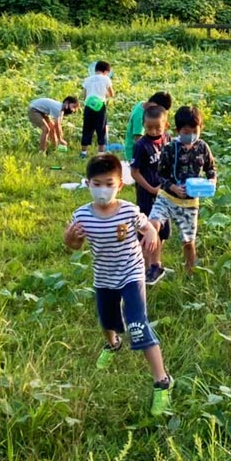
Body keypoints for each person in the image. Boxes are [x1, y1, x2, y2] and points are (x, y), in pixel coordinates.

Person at [64, 154, 173, 416]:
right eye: (97, 184)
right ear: (88, 183)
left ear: (119, 185)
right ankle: (113, 344)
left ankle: (162, 381)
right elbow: (75, 245)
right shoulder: (81, 216)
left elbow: (147, 227)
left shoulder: (127, 210)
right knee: (107, 322)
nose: (103, 190)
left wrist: (150, 234)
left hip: (132, 273)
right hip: (104, 277)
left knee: (137, 324)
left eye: (109, 183)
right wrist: (70, 238)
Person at [149, 106, 217, 273]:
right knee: (153, 225)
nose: (191, 135)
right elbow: (160, 174)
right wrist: (172, 187)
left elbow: (211, 168)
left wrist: (212, 181)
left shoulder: (202, 147)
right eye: (187, 131)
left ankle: (190, 271)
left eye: (195, 130)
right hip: (167, 197)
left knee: (188, 241)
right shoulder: (170, 148)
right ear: (178, 130)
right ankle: (153, 266)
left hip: (189, 201)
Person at [129, 104, 172, 285]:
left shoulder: (167, 140)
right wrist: (150, 188)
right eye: (149, 127)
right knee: (147, 232)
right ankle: (144, 268)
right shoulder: (141, 146)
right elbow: (134, 172)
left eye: (157, 127)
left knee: (160, 232)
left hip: (164, 195)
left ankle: (156, 265)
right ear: (143, 125)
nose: (153, 131)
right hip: (148, 196)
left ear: (166, 126)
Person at [124, 91, 173, 162]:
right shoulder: (140, 117)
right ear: (155, 105)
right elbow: (137, 139)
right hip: (135, 153)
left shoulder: (142, 104)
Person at [81, 61, 114, 158]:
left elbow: (84, 95)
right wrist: (104, 94)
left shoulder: (87, 79)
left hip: (88, 106)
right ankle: (100, 154)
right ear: (105, 71)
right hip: (100, 106)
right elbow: (112, 94)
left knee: (87, 128)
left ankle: (83, 153)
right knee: (101, 129)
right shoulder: (106, 79)